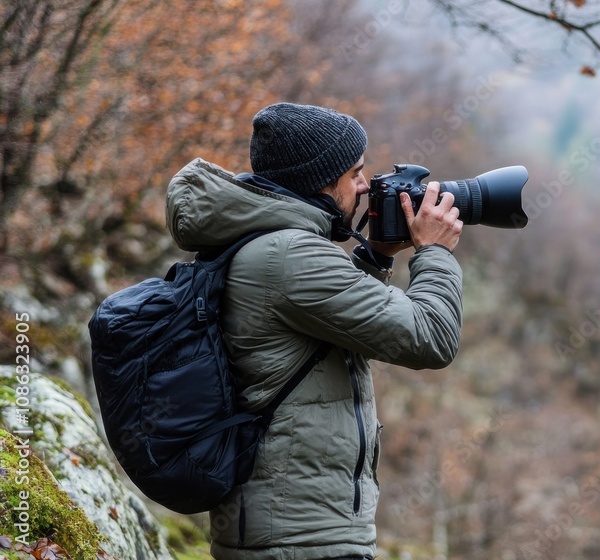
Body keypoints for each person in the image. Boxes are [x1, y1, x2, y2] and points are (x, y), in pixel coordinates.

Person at [165, 102, 464, 560]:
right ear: (321, 181)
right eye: (355, 173)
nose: (364, 186)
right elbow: (431, 337)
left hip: (288, 531)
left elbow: (325, 325)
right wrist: (435, 251)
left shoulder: (266, 242)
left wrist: (378, 255)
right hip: (299, 540)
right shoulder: (289, 254)